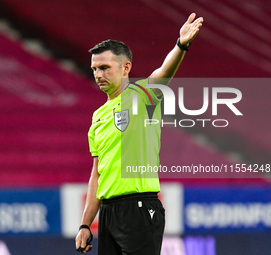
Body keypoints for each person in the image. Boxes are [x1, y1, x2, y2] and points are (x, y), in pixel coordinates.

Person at [75, 13, 204, 255]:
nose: (98, 74)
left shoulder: (142, 95)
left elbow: (163, 72)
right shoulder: (98, 116)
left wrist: (181, 45)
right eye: (94, 68)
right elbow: (97, 174)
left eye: (104, 67)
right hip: (109, 213)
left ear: (126, 68)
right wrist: (85, 223)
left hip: (140, 206)